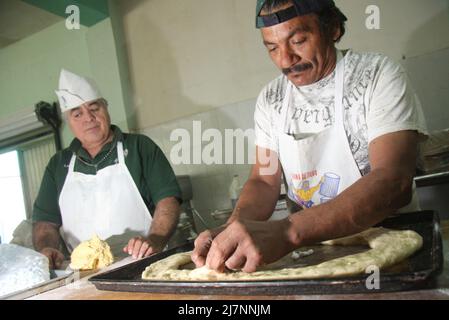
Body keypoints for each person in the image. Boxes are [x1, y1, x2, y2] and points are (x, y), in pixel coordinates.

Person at [192, 0, 427, 273]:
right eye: (272, 48)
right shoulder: (271, 100)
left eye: (299, 40)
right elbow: (264, 181)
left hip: (392, 243)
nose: (285, 60)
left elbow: (392, 181)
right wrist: (233, 229)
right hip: (316, 251)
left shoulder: (377, 75)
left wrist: (288, 231)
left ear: (334, 29)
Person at [32, 69, 182, 268]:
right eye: (77, 114)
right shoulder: (58, 165)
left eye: (94, 108)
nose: (88, 118)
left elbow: (168, 200)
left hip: (143, 264)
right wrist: (47, 248)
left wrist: (155, 238)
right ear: (69, 122)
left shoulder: (139, 147)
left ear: (106, 108)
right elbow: (45, 223)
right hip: (83, 276)